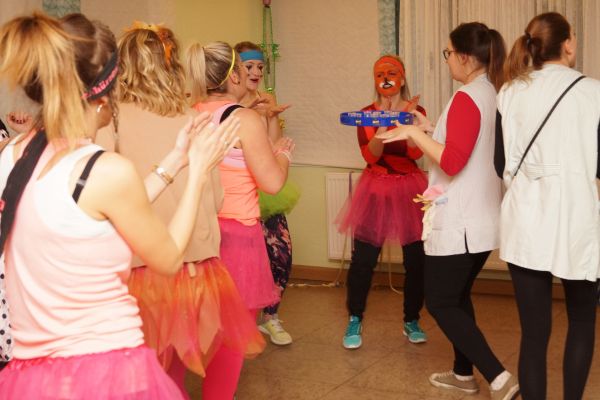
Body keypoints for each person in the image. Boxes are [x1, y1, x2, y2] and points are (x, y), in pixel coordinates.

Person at [0, 12, 238, 399]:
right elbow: (168, 258)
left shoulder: (12, 156)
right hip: (105, 366)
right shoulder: (104, 170)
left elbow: (89, 210)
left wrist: (175, 161)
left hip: (34, 372)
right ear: (105, 93)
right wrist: (197, 171)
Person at [108, 23, 265, 399]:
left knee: (150, 371)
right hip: (194, 267)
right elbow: (215, 199)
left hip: (138, 267)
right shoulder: (189, 119)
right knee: (182, 354)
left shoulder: (109, 120)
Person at [377, 22, 518, 400]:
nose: (447, 60)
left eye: (449, 53)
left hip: (462, 221)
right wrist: (428, 128)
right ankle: (462, 374)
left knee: (440, 301)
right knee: (457, 297)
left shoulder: (468, 96)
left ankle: (500, 378)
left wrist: (413, 134)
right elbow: (464, 146)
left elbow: (453, 162)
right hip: (482, 217)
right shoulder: (489, 92)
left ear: (466, 57)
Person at [495, 12, 600, 400]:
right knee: (582, 321)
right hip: (576, 219)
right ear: (568, 44)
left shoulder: (509, 92)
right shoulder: (594, 93)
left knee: (534, 333)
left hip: (524, 220)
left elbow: (499, 164)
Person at [186, 41, 293, 399]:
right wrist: (283, 154)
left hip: (197, 233)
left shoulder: (188, 112)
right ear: (233, 76)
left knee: (196, 328)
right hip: (237, 238)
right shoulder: (243, 119)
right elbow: (272, 182)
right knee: (232, 338)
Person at [335, 54, 427, 349]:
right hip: (375, 186)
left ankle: (412, 319)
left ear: (402, 76)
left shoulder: (416, 111)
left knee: (417, 261)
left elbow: (416, 153)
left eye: (391, 72)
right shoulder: (366, 114)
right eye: (379, 74)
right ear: (374, 79)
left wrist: (407, 121)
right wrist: (383, 125)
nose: (386, 78)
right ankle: (355, 318)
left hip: (409, 188)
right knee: (363, 260)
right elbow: (371, 156)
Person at [234, 41, 299, 346]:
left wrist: (271, 115)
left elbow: (274, 148)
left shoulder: (266, 99)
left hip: (265, 190)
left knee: (281, 255)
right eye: (249, 66)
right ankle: (239, 320)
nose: (256, 72)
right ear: (235, 70)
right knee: (243, 262)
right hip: (238, 194)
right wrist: (250, 111)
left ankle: (270, 317)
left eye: (260, 66)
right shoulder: (230, 104)